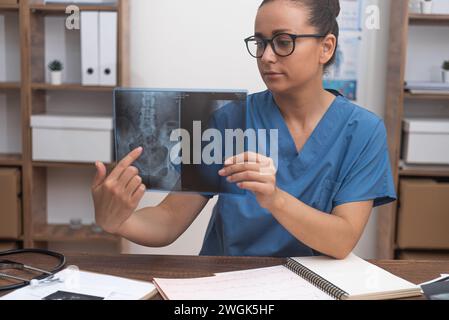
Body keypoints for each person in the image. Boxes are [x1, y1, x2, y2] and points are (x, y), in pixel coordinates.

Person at [91, 0, 396, 259]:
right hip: (226, 286)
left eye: (283, 41)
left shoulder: (363, 131)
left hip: (309, 287)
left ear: (325, 47)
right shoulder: (227, 120)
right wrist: (119, 221)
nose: (266, 56)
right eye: (260, 42)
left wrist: (275, 199)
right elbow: (169, 220)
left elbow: (342, 240)